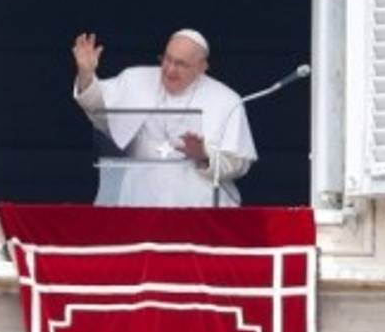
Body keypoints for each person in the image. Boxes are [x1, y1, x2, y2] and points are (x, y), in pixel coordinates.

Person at [73, 29, 256, 207]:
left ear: (202, 68)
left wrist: (205, 155)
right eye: (167, 59)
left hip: (199, 207)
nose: (169, 69)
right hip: (139, 199)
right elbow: (101, 115)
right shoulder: (135, 79)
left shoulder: (226, 99)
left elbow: (239, 163)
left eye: (181, 64)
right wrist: (86, 74)